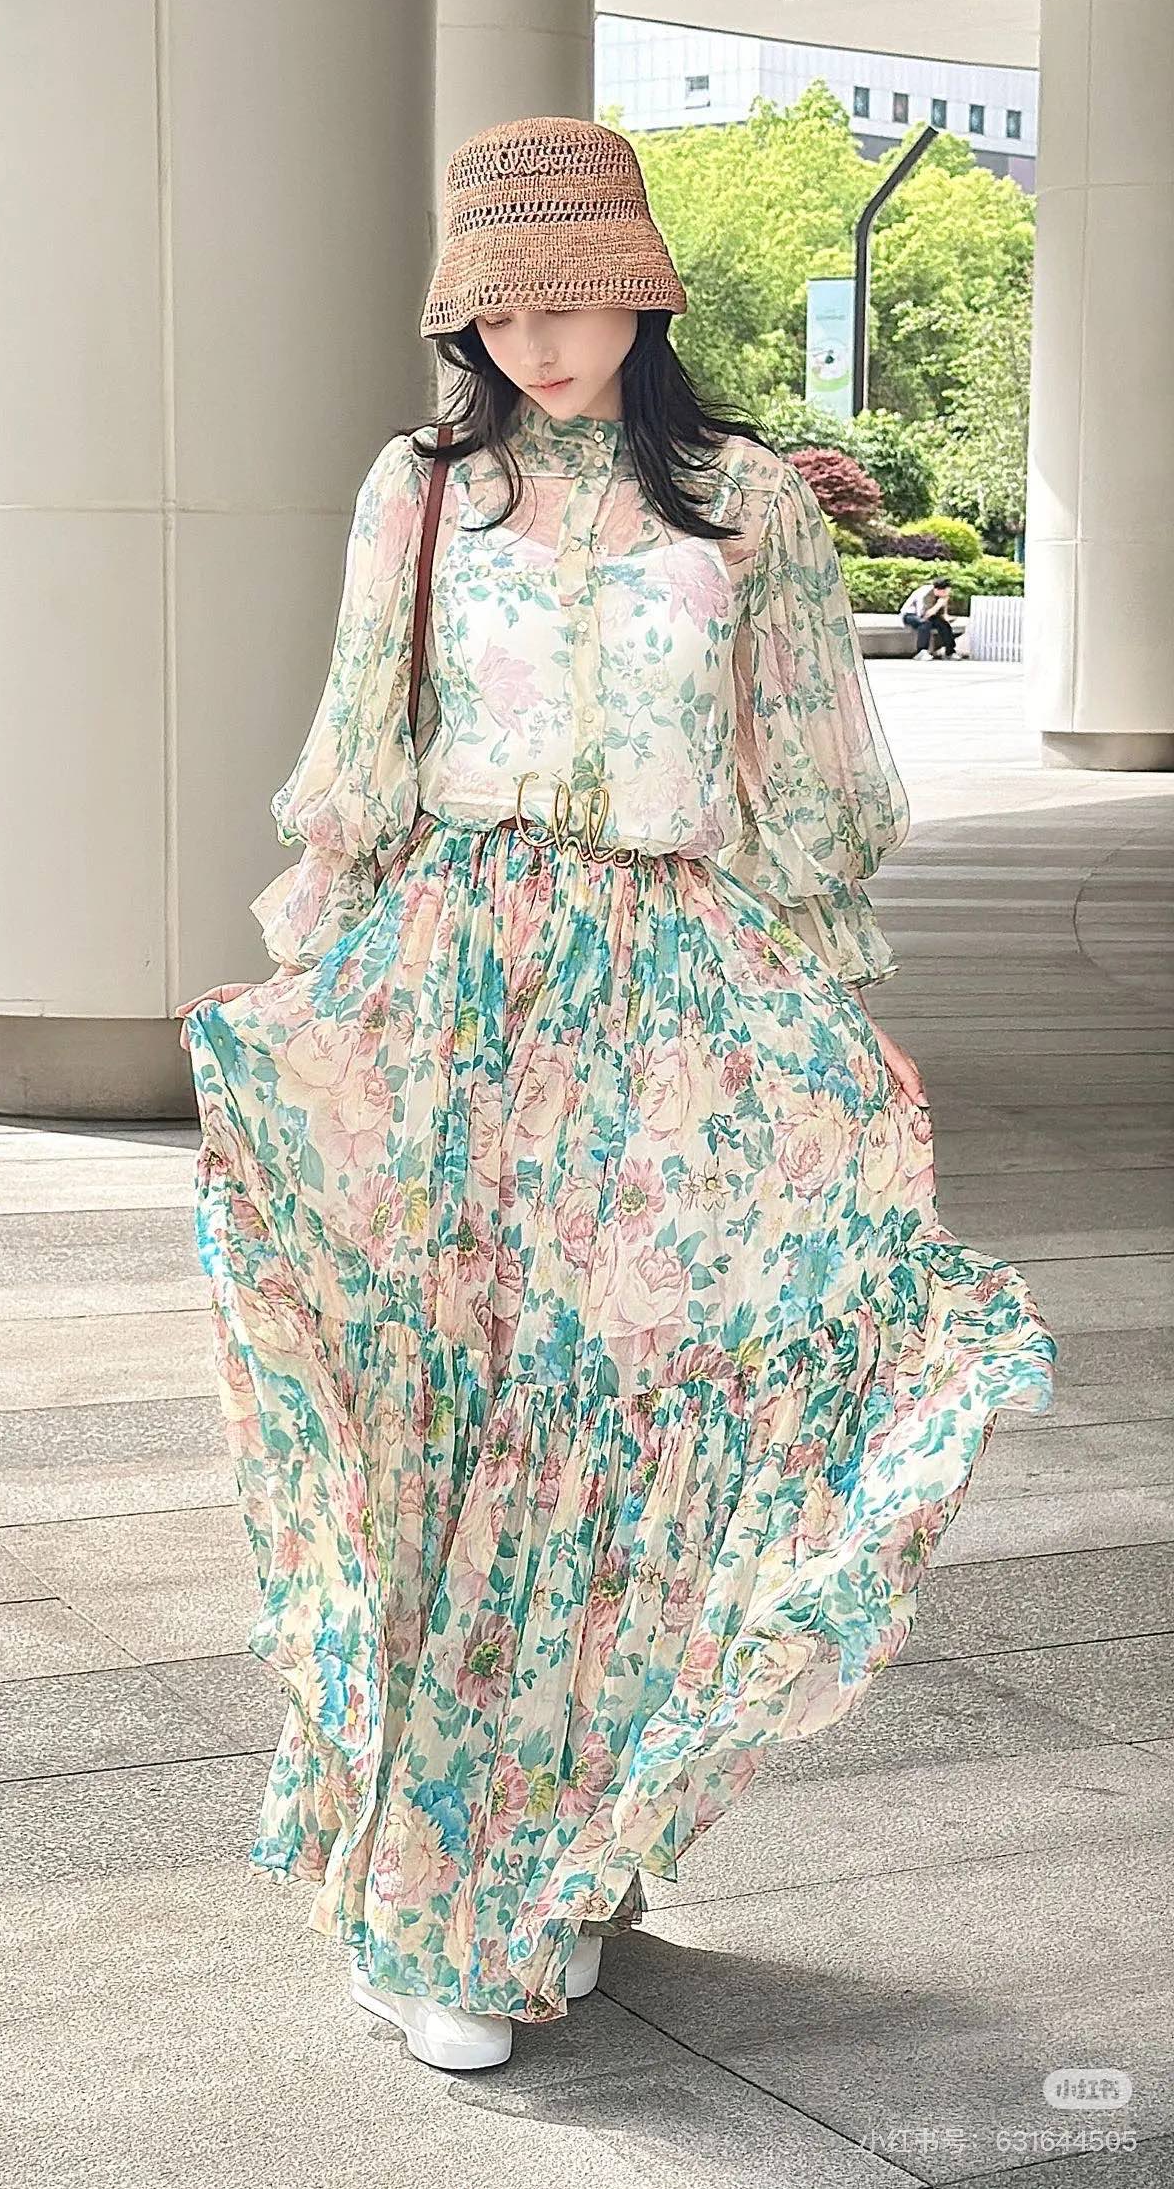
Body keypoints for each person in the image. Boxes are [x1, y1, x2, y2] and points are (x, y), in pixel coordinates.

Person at [175, 116, 1056, 2074]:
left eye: (570, 300)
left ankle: (547, 1853)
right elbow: (362, 757)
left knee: (631, 1420)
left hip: (668, 991)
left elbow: (810, 781)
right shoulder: (422, 492)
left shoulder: (748, 504)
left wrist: (817, 1034)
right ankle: (429, 1902)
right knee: (457, 1429)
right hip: (458, 988)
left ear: (641, 292)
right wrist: (314, 992)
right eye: (500, 310)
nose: (539, 342)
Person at [900, 577, 957, 657]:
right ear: (937, 590)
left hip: (928, 614)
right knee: (925, 623)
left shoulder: (941, 595)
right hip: (910, 614)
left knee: (944, 624)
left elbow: (941, 613)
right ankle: (921, 651)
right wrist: (938, 605)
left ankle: (950, 651)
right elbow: (923, 615)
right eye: (944, 592)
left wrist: (945, 616)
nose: (946, 595)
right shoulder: (925, 593)